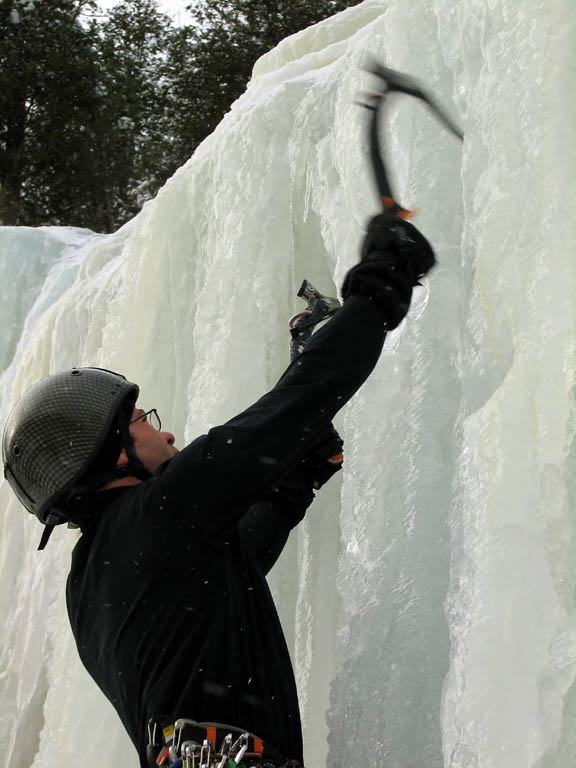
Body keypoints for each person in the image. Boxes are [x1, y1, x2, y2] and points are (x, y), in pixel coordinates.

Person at [2, 213, 435, 767]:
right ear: (110, 454)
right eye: (141, 420)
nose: (165, 431)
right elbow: (284, 415)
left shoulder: (92, 582)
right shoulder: (159, 513)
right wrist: (378, 288)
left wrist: (300, 468)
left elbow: (241, 551)